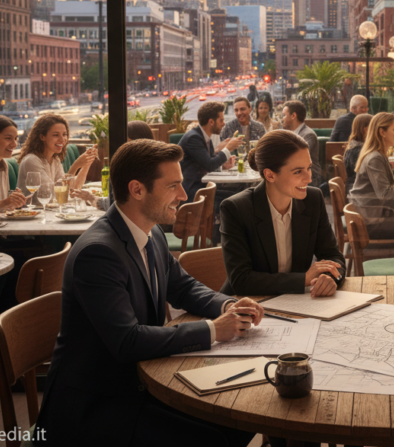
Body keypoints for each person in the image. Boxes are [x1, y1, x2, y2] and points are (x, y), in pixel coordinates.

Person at [34, 139, 261, 447]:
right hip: (96, 407)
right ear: (137, 190)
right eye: (173, 186)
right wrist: (212, 330)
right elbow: (127, 341)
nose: (183, 195)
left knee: (240, 419)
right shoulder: (98, 253)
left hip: (137, 384)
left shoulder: (150, 231)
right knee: (216, 436)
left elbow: (182, 287)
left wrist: (228, 305)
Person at [219, 130, 346, 296]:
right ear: (270, 175)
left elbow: (333, 256)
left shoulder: (313, 199)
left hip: (295, 304)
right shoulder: (236, 209)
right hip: (244, 306)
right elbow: (241, 280)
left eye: (308, 168)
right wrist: (303, 279)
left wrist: (329, 277)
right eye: (298, 171)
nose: (308, 179)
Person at [177, 101, 243, 203]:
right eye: (221, 120)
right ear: (211, 122)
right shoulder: (193, 138)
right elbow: (210, 165)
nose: (224, 123)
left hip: (202, 186)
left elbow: (209, 162)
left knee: (239, 193)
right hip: (191, 192)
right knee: (235, 199)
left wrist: (223, 165)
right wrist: (228, 148)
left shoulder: (205, 137)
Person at [16, 114, 98, 195]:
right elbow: (51, 194)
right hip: (33, 208)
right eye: (56, 135)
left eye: (64, 134)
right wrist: (75, 166)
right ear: (42, 137)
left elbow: (73, 188)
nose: (62, 139)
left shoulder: (54, 159)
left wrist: (87, 163)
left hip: (50, 208)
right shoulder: (32, 160)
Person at [281, 100, 322, 187]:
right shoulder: (288, 133)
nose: (282, 119)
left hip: (310, 177)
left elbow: (297, 155)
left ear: (293, 116)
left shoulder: (308, 134)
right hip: (295, 173)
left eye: (284, 115)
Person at [342, 113, 372, 191]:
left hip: (357, 187)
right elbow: (367, 175)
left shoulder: (354, 145)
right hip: (358, 191)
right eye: (374, 128)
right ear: (366, 130)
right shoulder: (358, 151)